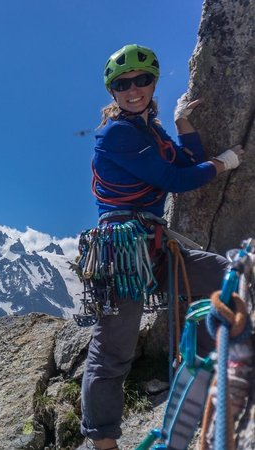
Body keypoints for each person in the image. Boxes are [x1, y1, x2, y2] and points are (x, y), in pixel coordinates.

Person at [80, 44, 246, 450]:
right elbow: (177, 181)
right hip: (121, 253)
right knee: (113, 351)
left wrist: (182, 119)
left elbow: (188, 161)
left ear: (153, 83)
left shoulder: (149, 132)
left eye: (141, 80)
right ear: (113, 92)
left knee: (229, 278)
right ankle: (104, 442)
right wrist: (226, 163)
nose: (133, 89)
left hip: (152, 247)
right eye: (123, 84)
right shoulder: (116, 133)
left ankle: (202, 369)